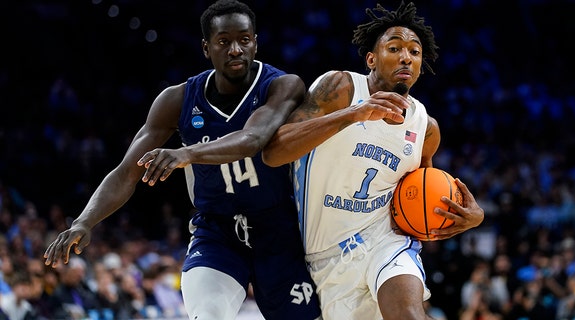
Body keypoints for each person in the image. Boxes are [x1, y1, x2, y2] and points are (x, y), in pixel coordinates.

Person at [42, 0, 322, 319]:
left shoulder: (283, 86)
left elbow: (252, 139)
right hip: (217, 232)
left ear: (255, 43)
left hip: (278, 229)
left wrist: (185, 153)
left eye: (244, 40)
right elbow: (126, 173)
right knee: (208, 313)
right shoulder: (177, 100)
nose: (235, 49)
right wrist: (83, 221)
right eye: (223, 41)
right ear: (206, 48)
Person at [261, 1, 484, 319]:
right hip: (320, 256)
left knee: (409, 313)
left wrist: (464, 218)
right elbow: (274, 152)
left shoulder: (426, 127)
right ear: (372, 59)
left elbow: (420, 199)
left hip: (385, 241)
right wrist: (353, 114)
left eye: (415, 52)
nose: (406, 56)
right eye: (394, 48)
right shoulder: (340, 88)